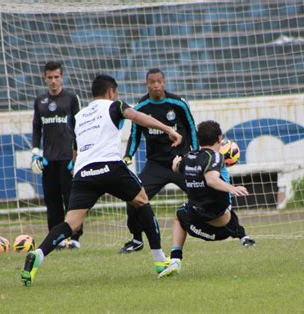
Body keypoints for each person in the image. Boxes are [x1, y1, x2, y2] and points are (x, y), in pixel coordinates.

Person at [21, 74, 183, 287]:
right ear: (111, 92)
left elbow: (76, 148)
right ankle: (160, 260)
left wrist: (75, 166)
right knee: (142, 201)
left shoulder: (80, 116)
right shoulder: (115, 106)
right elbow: (137, 116)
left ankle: (39, 254)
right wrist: (169, 129)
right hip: (110, 167)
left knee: (71, 223)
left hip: (83, 172)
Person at [158, 120, 255, 279]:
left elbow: (176, 166)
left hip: (195, 221)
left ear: (198, 139)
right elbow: (211, 180)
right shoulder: (215, 156)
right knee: (228, 215)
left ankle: (175, 259)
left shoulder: (190, 157)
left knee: (179, 215)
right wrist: (232, 188)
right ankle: (242, 236)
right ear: (219, 138)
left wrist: (176, 162)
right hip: (219, 226)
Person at [119, 68, 198, 253]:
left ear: (165, 82)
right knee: (133, 198)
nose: (156, 85)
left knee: (204, 190)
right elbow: (135, 135)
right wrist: (128, 155)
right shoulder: (140, 107)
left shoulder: (178, 103)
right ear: (146, 84)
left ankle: (232, 230)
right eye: (152, 82)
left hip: (180, 162)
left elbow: (192, 129)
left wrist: (194, 154)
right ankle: (137, 239)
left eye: (159, 81)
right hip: (155, 165)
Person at [31, 61, 83, 249]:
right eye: (50, 77)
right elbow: (37, 128)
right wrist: (36, 153)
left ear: (62, 77)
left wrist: (77, 156)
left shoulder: (70, 99)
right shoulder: (40, 101)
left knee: (71, 200)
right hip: (49, 160)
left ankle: (75, 237)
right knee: (52, 202)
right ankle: (56, 239)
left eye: (56, 77)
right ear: (45, 78)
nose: (53, 81)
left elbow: (79, 128)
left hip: (68, 160)